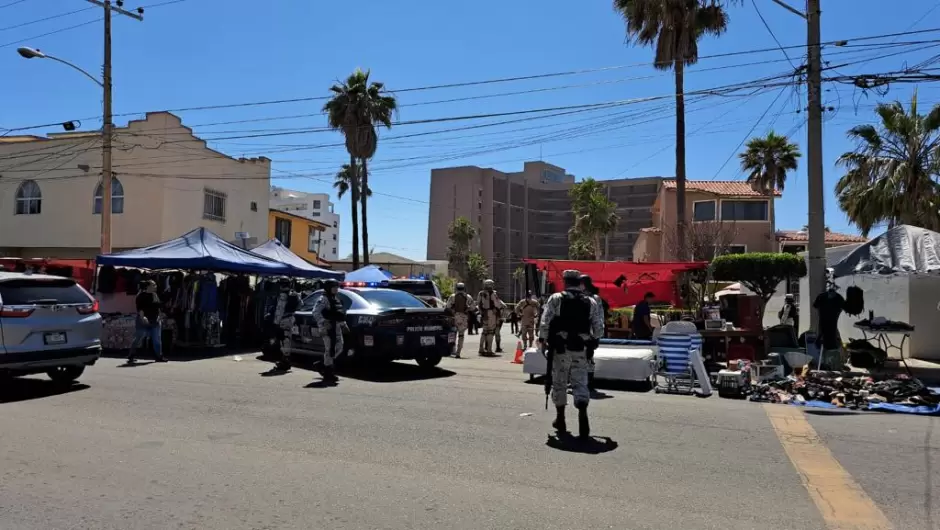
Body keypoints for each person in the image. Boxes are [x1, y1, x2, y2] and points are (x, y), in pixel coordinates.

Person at [539, 270, 604, 439]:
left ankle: (560, 419)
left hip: (561, 348)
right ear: (579, 283)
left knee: (559, 382)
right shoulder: (591, 301)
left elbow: (545, 322)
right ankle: (582, 411)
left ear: (565, 282)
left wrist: (543, 341)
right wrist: (590, 340)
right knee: (580, 381)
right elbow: (599, 329)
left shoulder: (556, 298)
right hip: (581, 349)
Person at [311, 279, 348, 384]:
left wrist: (343, 324)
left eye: (337, 287)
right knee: (329, 349)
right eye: (334, 287)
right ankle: (328, 372)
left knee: (339, 347)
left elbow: (338, 313)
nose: (336, 289)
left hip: (336, 326)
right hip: (327, 328)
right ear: (328, 288)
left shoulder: (336, 299)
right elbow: (315, 312)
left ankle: (322, 365)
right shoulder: (323, 299)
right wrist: (323, 322)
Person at [128, 280, 166, 364]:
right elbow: (140, 308)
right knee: (138, 338)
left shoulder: (155, 295)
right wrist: (143, 317)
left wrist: (160, 315)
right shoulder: (141, 296)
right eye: (153, 285)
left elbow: (158, 306)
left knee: (157, 339)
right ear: (148, 286)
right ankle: (131, 355)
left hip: (155, 320)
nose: (155, 286)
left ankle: (159, 356)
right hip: (144, 320)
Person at [580, 275, 606, 391]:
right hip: (583, 333)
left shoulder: (593, 298)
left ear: (584, 284)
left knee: (587, 357)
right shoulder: (580, 297)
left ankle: (587, 382)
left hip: (588, 333)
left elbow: (599, 317)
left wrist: (597, 335)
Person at [445, 282, 476, 358]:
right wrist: (467, 309)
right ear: (464, 288)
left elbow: (447, 306)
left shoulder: (453, 296)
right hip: (463, 317)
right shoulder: (468, 297)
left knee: (453, 334)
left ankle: (452, 350)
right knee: (461, 335)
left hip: (454, 316)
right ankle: (458, 352)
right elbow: (473, 307)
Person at [476, 279, 503, 356]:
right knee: (490, 332)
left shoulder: (480, 293)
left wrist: (481, 312)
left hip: (484, 313)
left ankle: (481, 349)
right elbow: (498, 304)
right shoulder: (493, 294)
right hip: (491, 313)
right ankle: (489, 350)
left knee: (484, 332)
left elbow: (478, 304)